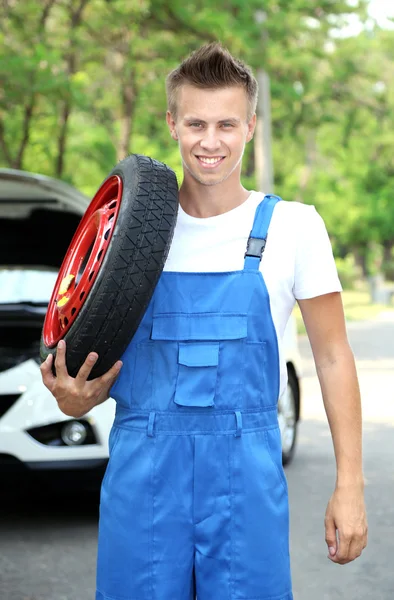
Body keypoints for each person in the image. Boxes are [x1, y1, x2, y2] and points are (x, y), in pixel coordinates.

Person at [41, 42, 368, 600]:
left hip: (246, 474)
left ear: (251, 126)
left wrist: (350, 486)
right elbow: (85, 363)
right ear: (172, 123)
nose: (210, 141)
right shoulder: (128, 239)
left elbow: (334, 358)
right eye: (195, 123)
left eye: (226, 124)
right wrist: (73, 398)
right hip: (143, 471)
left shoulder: (294, 228)